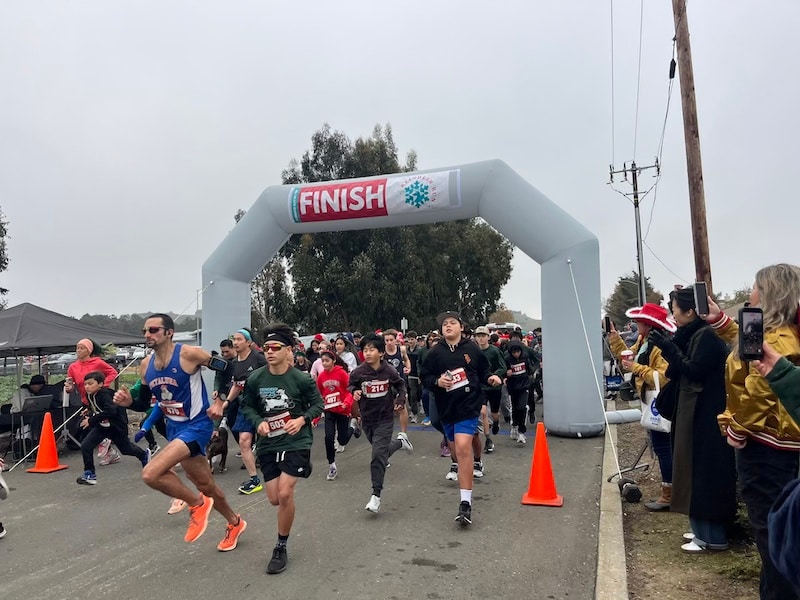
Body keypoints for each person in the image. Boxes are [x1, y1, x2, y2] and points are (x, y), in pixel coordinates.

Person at [704, 264, 800, 599]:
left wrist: (737, 429)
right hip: (776, 446)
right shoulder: (776, 331)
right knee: (773, 535)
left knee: (773, 536)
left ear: (771, 292)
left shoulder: (777, 338)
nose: (749, 294)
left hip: (767, 449)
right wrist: (720, 321)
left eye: (756, 288)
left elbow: (759, 391)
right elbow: (746, 347)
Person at [114, 313, 246, 552]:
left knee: (151, 473)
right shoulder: (146, 366)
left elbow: (229, 368)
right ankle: (235, 523)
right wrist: (127, 403)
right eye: (145, 330)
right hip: (175, 428)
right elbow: (144, 403)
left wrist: (221, 402)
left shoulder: (189, 354)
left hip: (197, 425)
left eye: (153, 330)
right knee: (207, 485)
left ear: (169, 332)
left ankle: (196, 505)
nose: (147, 335)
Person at [647, 287, 736, 554]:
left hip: (706, 414)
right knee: (689, 467)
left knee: (704, 472)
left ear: (690, 311)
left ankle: (711, 536)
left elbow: (694, 370)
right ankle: (700, 531)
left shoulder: (707, 336)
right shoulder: (692, 334)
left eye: (674, 308)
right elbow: (677, 369)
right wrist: (670, 345)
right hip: (692, 411)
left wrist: (668, 347)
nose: (672, 313)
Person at [237, 323, 324, 575]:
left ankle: (280, 546)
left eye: (276, 347)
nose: (270, 352)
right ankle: (299, 470)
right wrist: (258, 422)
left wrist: (302, 419)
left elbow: (317, 404)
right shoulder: (256, 378)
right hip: (269, 442)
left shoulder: (301, 378)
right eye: (266, 348)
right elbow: (248, 406)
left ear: (288, 351)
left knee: (285, 494)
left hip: (297, 440)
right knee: (275, 498)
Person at [420, 311, 502, 525]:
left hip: (469, 405)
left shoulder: (472, 348)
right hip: (447, 407)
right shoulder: (435, 353)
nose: (448, 326)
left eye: (452, 323)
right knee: (456, 451)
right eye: (444, 324)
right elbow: (424, 377)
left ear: (461, 327)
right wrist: (437, 382)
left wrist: (492, 378)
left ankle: (465, 503)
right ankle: (469, 465)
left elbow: (484, 370)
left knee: (464, 447)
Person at [607, 303, 674, 511]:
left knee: (664, 447)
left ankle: (669, 493)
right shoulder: (644, 341)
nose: (635, 324)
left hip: (661, 401)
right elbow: (628, 355)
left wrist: (635, 367)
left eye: (638, 321)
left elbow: (663, 377)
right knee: (661, 446)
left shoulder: (658, 346)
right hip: (652, 399)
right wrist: (615, 338)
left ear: (648, 324)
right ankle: (670, 490)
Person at [347, 333, 413, 514]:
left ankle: (376, 496)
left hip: (385, 418)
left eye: (371, 350)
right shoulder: (358, 372)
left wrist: (400, 400)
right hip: (367, 419)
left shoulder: (389, 370)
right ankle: (400, 442)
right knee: (381, 451)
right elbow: (351, 385)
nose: (367, 353)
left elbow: (400, 385)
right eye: (365, 350)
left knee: (377, 456)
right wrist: (355, 392)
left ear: (381, 353)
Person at [209, 329, 267, 495]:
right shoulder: (234, 363)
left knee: (269, 439)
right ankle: (254, 480)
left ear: (248, 342)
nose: (236, 342)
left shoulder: (258, 358)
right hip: (245, 406)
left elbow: (273, 374)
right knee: (243, 441)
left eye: (239, 339)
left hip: (264, 405)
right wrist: (226, 402)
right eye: (234, 339)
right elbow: (237, 385)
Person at [76, 371, 150, 485]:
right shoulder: (90, 395)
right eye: (85, 384)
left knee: (126, 449)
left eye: (90, 384)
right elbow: (96, 405)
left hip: (116, 426)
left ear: (100, 384)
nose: (87, 386)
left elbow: (111, 410)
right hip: (102, 426)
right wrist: (89, 409)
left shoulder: (105, 394)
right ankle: (90, 473)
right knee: (86, 445)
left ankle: (143, 455)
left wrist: (90, 420)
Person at [64, 338, 122, 465]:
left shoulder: (97, 363)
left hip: (99, 400)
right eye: (77, 347)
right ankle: (111, 452)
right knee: (86, 426)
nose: (79, 350)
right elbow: (70, 384)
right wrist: (69, 388)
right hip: (86, 401)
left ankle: (105, 443)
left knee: (94, 424)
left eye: (82, 348)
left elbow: (113, 372)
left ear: (89, 351)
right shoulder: (73, 367)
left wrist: (101, 386)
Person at [316, 349, 359, 480]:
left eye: (327, 360)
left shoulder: (341, 373)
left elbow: (350, 391)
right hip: (329, 411)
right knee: (328, 438)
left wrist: (346, 403)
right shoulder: (321, 376)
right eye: (322, 361)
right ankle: (332, 466)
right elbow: (320, 396)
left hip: (342, 410)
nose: (324, 363)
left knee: (342, 440)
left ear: (334, 361)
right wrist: (316, 417)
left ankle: (353, 426)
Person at [474, 326, 506, 453]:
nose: (481, 338)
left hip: (494, 386)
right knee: (483, 412)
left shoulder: (495, 351)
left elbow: (503, 367)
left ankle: (496, 422)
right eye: (478, 336)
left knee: (494, 413)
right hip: (481, 387)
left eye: (483, 336)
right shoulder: (474, 352)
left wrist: (495, 375)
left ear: (488, 337)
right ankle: (488, 439)